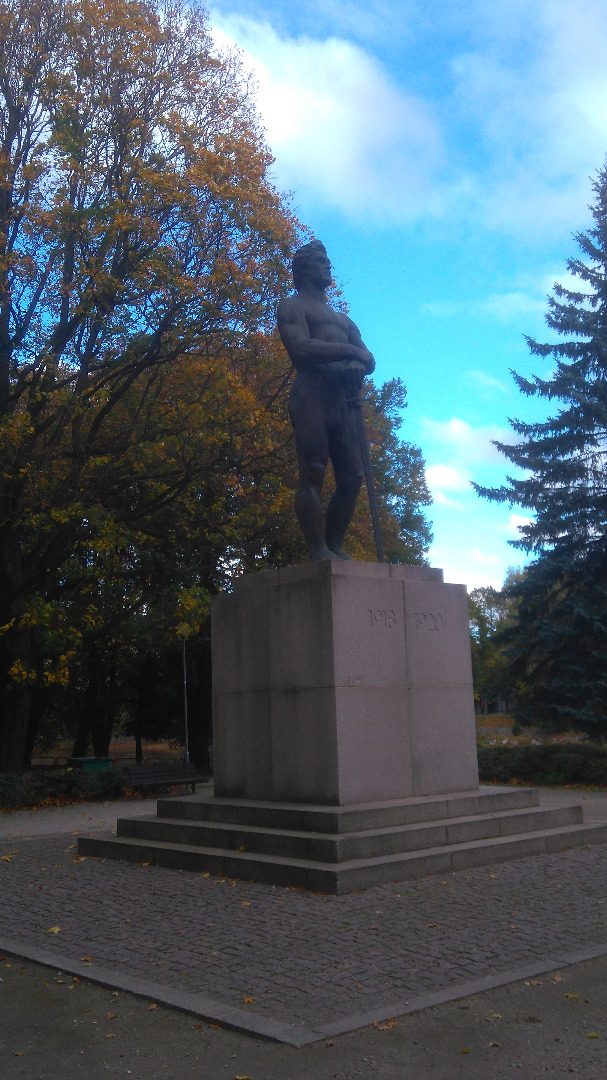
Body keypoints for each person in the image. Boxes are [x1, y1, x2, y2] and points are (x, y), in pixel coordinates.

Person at [277, 240, 375, 561]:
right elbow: (301, 349)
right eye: (320, 259)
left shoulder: (345, 321)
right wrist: (351, 354)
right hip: (312, 395)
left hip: (343, 399)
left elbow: (369, 359)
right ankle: (318, 549)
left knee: (353, 476)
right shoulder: (292, 307)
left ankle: (334, 544)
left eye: (327, 259)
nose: (327, 264)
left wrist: (358, 365)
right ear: (303, 268)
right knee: (314, 471)